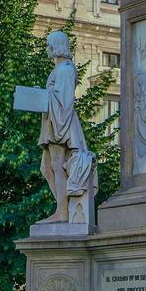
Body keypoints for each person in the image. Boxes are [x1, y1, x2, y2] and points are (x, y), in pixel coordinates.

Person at [38, 30, 96, 223]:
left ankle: (62, 211)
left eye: (49, 45)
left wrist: (43, 96)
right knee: (47, 167)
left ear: (55, 46)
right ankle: (61, 209)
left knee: (55, 165)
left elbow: (64, 99)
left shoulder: (65, 68)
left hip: (59, 122)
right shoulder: (60, 68)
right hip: (53, 120)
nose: (47, 49)